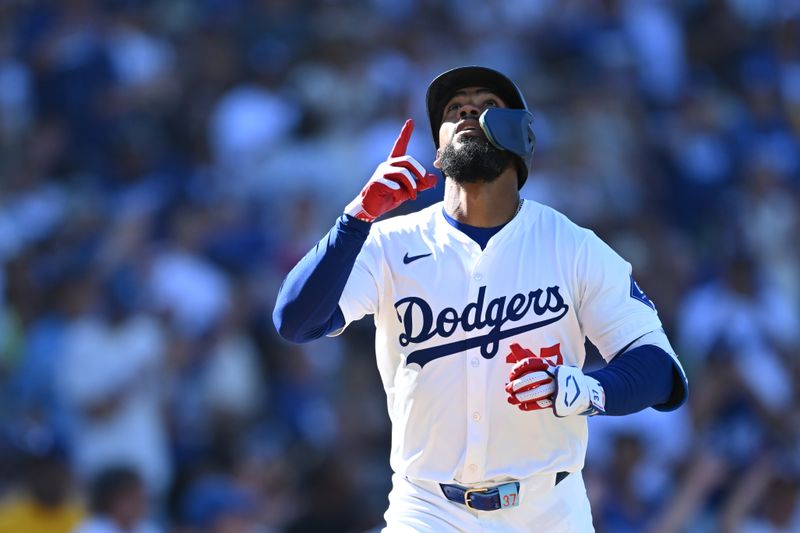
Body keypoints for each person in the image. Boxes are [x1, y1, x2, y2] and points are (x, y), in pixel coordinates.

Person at [273, 66, 688, 532]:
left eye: (486, 104)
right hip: (427, 508)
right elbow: (296, 321)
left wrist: (591, 390)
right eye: (453, 109)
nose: (467, 110)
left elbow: (660, 368)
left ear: (522, 138)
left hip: (547, 509)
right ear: (437, 148)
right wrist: (355, 219)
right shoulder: (388, 243)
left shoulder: (572, 245)